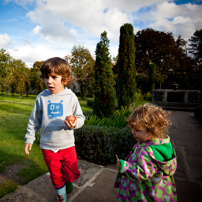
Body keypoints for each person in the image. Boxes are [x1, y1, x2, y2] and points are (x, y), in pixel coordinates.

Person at [24, 57, 85, 202]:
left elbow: (81, 118)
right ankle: (61, 197)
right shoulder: (41, 97)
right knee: (56, 176)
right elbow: (34, 120)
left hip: (67, 145)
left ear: (65, 79)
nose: (49, 81)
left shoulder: (71, 97)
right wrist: (29, 138)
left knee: (71, 173)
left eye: (53, 77)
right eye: (46, 77)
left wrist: (75, 123)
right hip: (48, 146)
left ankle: (68, 182)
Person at [114, 103, 177, 202]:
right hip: (159, 189)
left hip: (144, 193)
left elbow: (142, 173)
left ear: (153, 130)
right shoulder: (163, 143)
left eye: (137, 130)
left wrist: (124, 166)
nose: (133, 132)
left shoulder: (147, 151)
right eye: (132, 128)